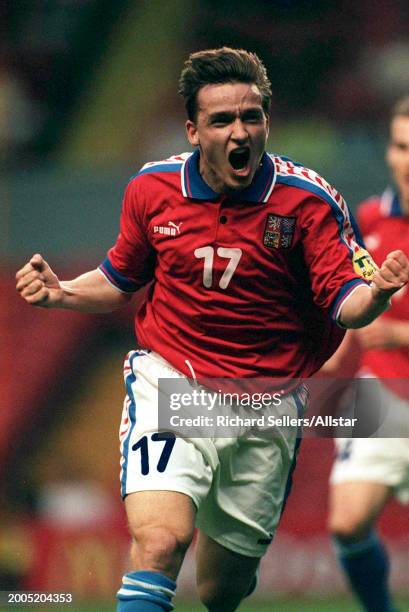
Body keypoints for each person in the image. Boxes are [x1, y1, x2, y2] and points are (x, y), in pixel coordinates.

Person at [16, 48, 409, 612]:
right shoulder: (152, 191)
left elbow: (344, 299)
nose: (239, 131)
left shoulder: (309, 201)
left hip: (268, 404)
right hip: (173, 382)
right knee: (160, 542)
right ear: (193, 130)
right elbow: (120, 278)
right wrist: (62, 293)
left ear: (266, 123)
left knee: (222, 591)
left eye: (251, 117)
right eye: (222, 120)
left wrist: (376, 295)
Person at [328, 96, 409, 612]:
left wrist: (401, 336)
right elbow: (348, 306)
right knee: (347, 522)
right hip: (380, 391)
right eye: (402, 146)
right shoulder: (367, 218)